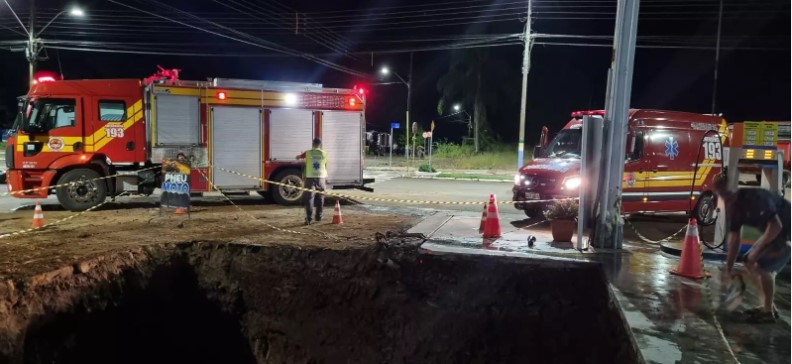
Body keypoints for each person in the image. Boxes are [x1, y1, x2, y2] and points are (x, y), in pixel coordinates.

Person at [714, 173, 791, 323]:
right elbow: (735, 239)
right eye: (721, 193)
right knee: (748, 261)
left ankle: (768, 311)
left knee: (763, 266)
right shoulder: (733, 207)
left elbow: (776, 226)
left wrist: (756, 250)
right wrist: (728, 269)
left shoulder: (755, 199)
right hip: (773, 232)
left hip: (787, 230)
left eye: (727, 192)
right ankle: (768, 306)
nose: (726, 197)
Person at [296, 138, 328, 225]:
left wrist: (300, 156)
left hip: (310, 178)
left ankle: (309, 219)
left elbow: (298, 157)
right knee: (321, 197)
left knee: (309, 198)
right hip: (321, 178)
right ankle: (319, 216)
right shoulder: (324, 153)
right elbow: (325, 164)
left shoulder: (308, 152)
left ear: (313, 144)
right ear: (320, 145)